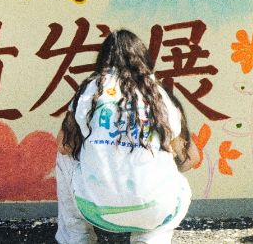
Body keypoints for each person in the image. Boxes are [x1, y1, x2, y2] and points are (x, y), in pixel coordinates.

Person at [55, 29, 200, 244]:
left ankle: (78, 238)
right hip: (154, 211)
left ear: (102, 59)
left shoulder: (91, 89)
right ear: (144, 59)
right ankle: (149, 239)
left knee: (64, 158)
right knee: (177, 181)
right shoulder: (160, 94)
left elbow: (64, 145)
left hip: (95, 209)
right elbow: (191, 159)